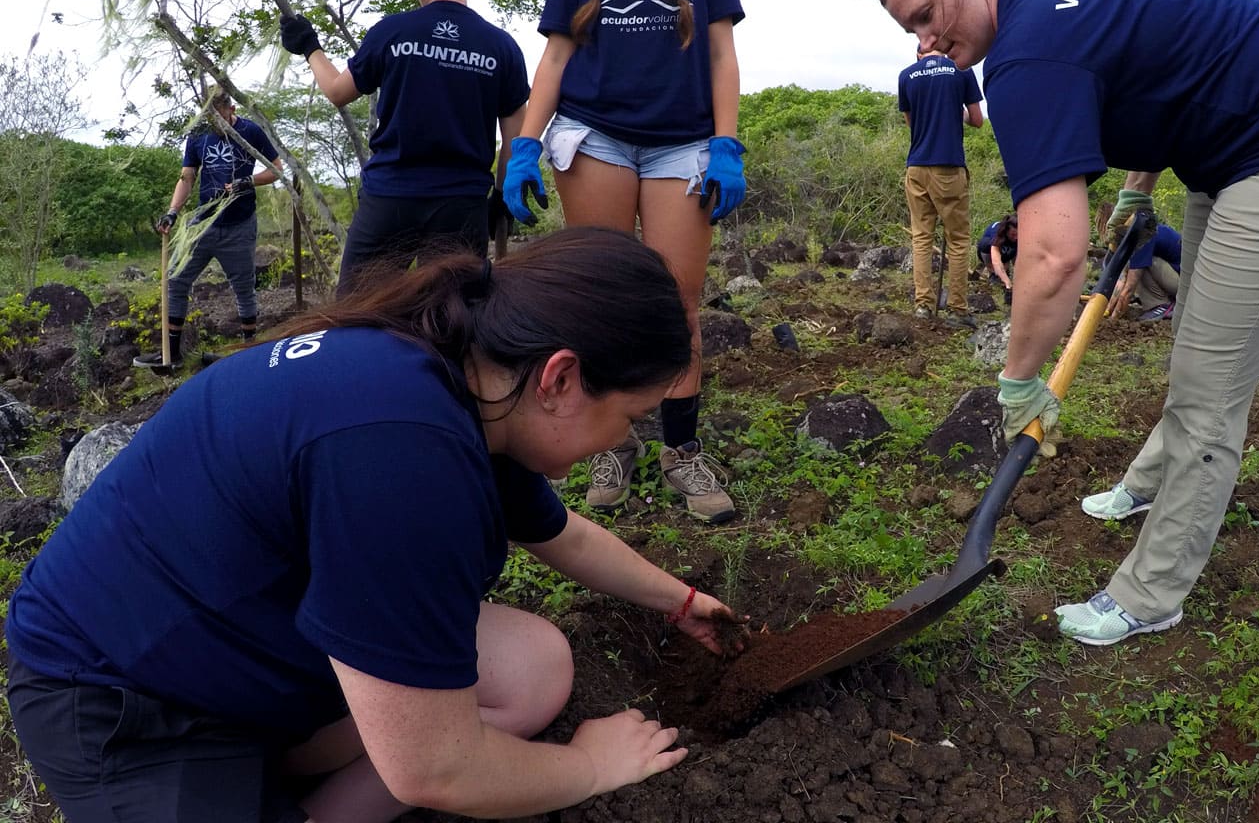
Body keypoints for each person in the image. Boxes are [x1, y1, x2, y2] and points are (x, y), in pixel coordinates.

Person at [8, 228, 744, 823]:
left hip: (242, 638)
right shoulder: (403, 454)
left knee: (530, 668)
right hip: (125, 698)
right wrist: (591, 767)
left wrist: (680, 602)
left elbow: (567, 536)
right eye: (630, 417)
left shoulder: (464, 381)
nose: (620, 441)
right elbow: (436, 769)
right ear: (560, 378)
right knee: (430, 750)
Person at [875, 0, 1259, 646]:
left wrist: (1018, 380)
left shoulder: (1026, 56)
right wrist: (1139, 187)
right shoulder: (1044, 15)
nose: (926, 42)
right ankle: (1147, 486)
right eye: (908, 32)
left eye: (925, 15)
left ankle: (1151, 594)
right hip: (1229, 159)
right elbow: (1166, 71)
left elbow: (1053, 255)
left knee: (1213, 387)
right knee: (1196, 350)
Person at [502, 0, 744, 524]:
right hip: (597, 137)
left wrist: (726, 144)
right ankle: (613, 443)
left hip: (682, 143)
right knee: (603, 297)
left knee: (678, 300)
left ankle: (682, 449)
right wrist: (524, 143)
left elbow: (723, 58)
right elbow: (554, 60)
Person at [279, 0, 528, 295]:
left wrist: (310, 46)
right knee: (452, 319)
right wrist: (501, 201)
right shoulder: (502, 47)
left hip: (390, 198)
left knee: (359, 311)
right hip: (461, 205)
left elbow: (337, 92)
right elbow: (514, 141)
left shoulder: (392, 32)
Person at [134, 86, 279, 368]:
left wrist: (247, 182)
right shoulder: (198, 135)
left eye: (220, 118)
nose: (217, 125)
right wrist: (172, 212)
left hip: (239, 225)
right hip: (204, 226)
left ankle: (249, 355)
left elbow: (276, 169)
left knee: (244, 288)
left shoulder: (251, 132)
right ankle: (171, 354)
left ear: (231, 109)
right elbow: (187, 177)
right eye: (211, 120)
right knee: (175, 279)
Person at [898, 44, 983, 326]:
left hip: (917, 167)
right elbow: (977, 121)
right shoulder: (961, 70)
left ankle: (923, 306)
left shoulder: (906, 76)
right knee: (957, 240)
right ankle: (957, 309)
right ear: (943, 49)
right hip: (948, 166)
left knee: (921, 237)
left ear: (918, 55)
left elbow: (912, 123)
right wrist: (953, 113)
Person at [976, 214, 1019, 300]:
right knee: (985, 244)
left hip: (1007, 252)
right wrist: (1008, 284)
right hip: (989, 253)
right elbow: (996, 261)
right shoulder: (998, 232)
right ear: (1006, 231)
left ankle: (1004, 272)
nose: (1016, 237)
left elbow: (1017, 258)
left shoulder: (1019, 236)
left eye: (1018, 234)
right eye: (1013, 234)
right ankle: (992, 272)